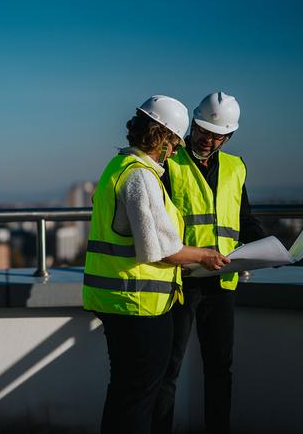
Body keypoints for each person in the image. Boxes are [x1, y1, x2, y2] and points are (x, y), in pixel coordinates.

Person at [84, 95, 231, 434]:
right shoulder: (141, 177)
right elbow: (159, 248)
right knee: (138, 398)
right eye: (175, 143)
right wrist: (205, 255)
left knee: (124, 394)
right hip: (138, 307)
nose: (177, 151)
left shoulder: (117, 167)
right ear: (162, 137)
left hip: (118, 302)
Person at [162, 91, 267, 434]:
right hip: (180, 280)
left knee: (220, 369)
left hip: (222, 282)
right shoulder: (168, 163)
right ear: (192, 124)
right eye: (203, 131)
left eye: (218, 135)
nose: (208, 140)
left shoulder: (236, 167)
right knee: (168, 369)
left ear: (229, 136)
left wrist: (268, 249)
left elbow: (245, 220)